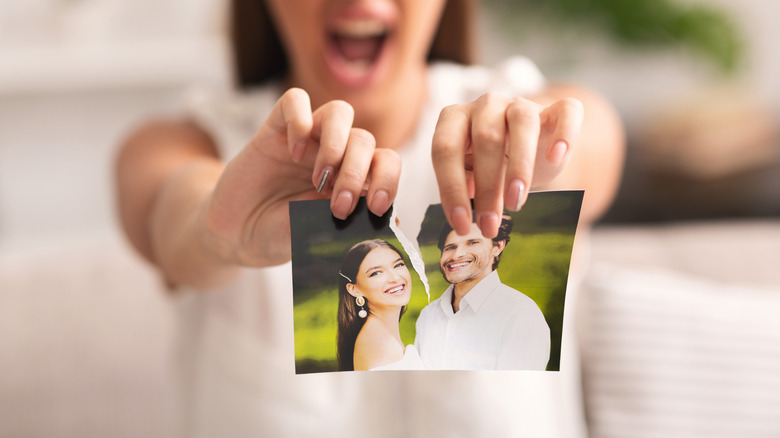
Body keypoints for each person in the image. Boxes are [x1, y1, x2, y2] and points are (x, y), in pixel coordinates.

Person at [115, 0, 624, 436]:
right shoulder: (188, 142)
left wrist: (533, 147)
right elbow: (174, 213)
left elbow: (591, 142)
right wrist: (216, 233)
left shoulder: (524, 109)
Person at [415, 213, 551, 370]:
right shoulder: (428, 315)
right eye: (450, 247)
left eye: (472, 243)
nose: (457, 254)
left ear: (497, 247)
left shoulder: (521, 315)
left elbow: (518, 391)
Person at [336, 239, 424, 371]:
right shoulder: (382, 345)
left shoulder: (377, 335)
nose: (394, 277)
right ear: (355, 289)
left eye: (398, 265)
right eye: (376, 273)